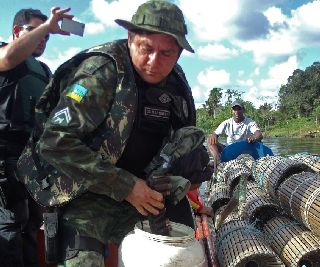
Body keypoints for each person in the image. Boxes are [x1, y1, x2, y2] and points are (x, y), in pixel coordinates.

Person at [27, 0, 211, 265]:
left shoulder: (176, 86)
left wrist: (175, 177)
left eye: (166, 53)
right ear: (131, 37)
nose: (153, 61)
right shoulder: (99, 73)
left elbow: (183, 139)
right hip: (81, 190)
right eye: (146, 48)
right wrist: (125, 186)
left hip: (142, 191)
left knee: (180, 250)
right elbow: (54, 142)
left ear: (179, 53)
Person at [0, 7, 73, 267]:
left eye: (48, 36)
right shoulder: (4, 54)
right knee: (9, 228)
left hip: (33, 160)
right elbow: (7, 58)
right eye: (37, 32)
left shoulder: (43, 70)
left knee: (31, 227)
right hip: (5, 157)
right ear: (17, 31)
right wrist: (48, 25)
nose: (44, 38)